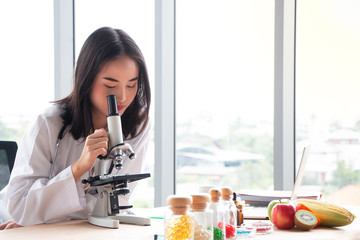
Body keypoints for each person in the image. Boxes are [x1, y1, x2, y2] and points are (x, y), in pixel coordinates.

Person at [0, 26, 151, 229]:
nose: (123, 97)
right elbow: (19, 204)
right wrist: (79, 168)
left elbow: (119, 200)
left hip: (63, 227)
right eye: (110, 86)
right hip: (13, 224)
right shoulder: (50, 122)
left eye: (132, 85)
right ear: (87, 79)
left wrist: (46, 219)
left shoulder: (137, 124)